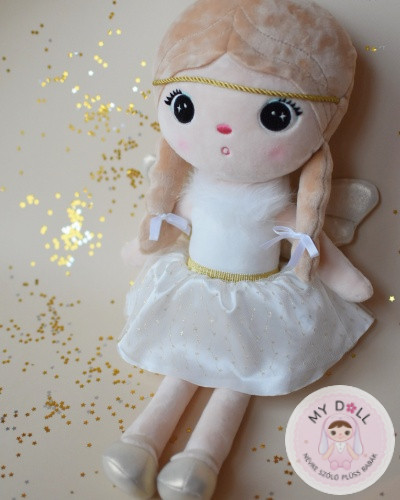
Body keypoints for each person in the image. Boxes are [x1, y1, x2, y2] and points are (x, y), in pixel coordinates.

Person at [103, 1, 374, 498]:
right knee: (181, 369)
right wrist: (139, 251)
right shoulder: (191, 195)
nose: (224, 132)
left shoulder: (279, 207)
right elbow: (169, 227)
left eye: (275, 115)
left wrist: (350, 282)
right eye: (185, 107)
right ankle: (140, 443)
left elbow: (312, 243)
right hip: (193, 291)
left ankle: (200, 462)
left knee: (240, 377)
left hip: (258, 301)